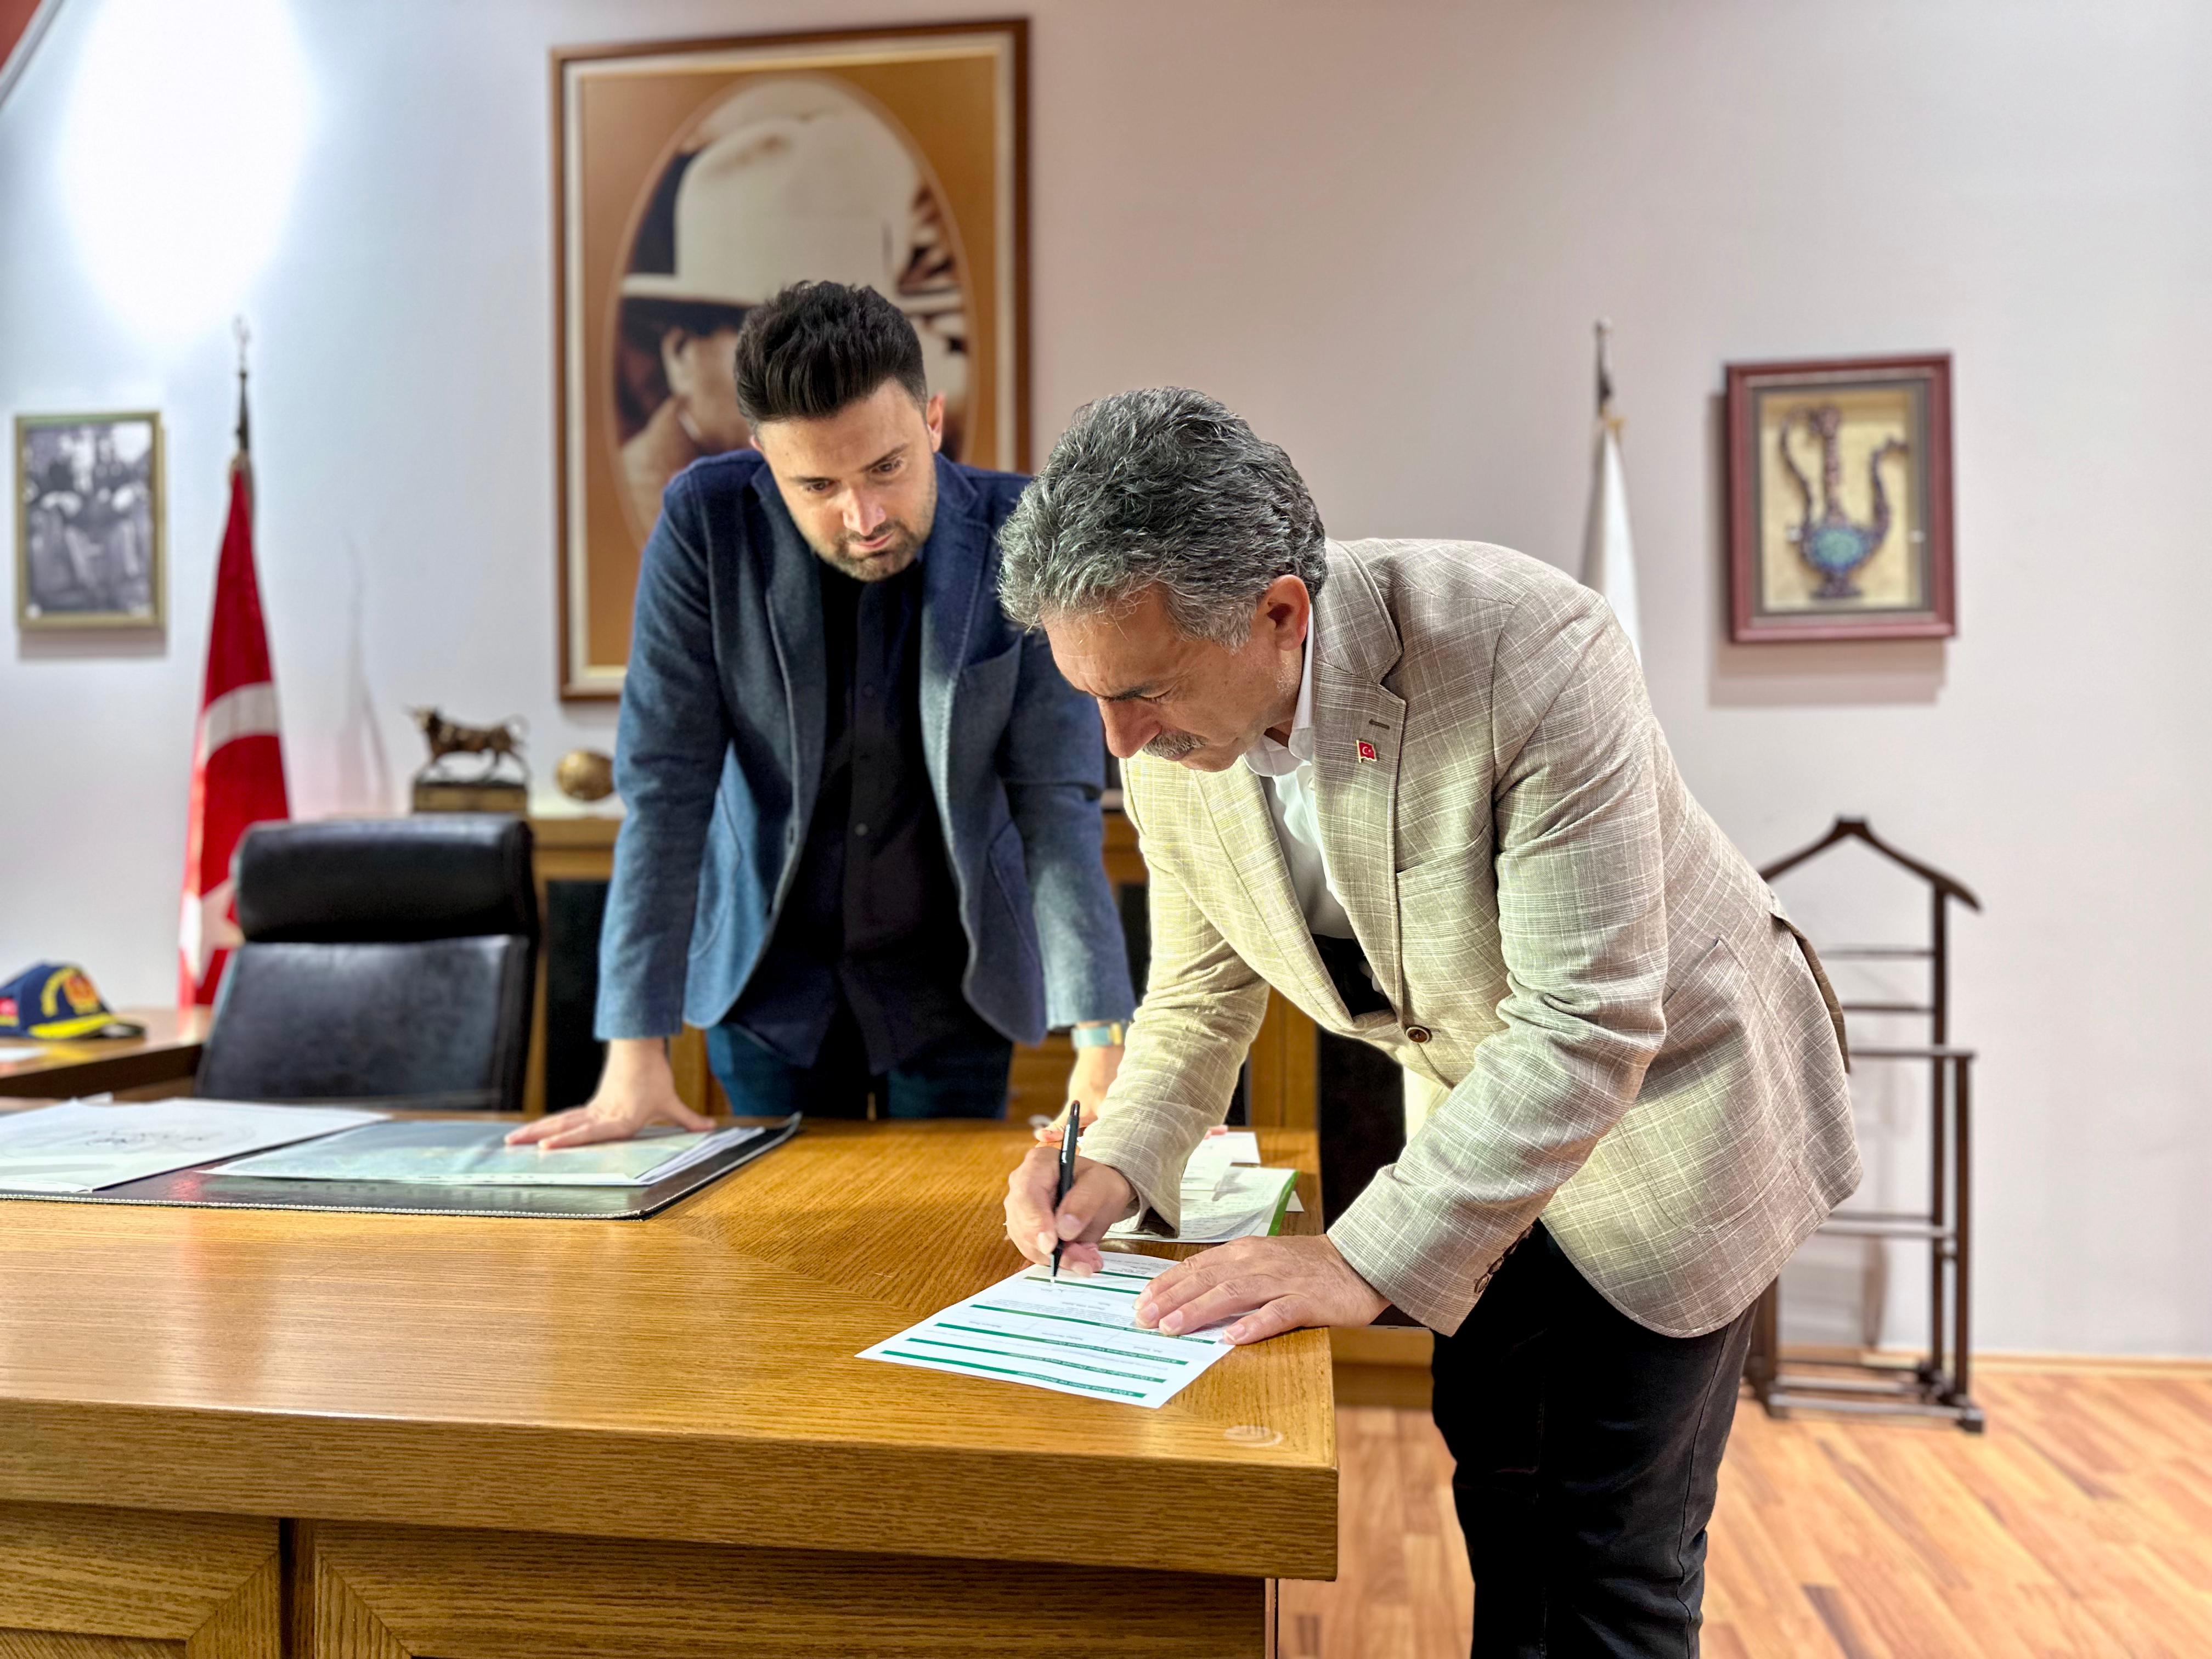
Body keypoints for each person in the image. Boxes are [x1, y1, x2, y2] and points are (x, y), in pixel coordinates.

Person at [994, 387, 1859, 1657]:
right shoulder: (1164, 733)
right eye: (1093, 698)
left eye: (1143, 693)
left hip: (1674, 1107)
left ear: (1278, 614)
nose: (1118, 742)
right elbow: (1199, 992)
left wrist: (1353, 1261)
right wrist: (1113, 1165)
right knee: (1500, 1488)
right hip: (1475, 1109)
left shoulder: (1533, 647)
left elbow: (1585, 1022)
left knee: (1612, 1548)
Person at [515, 283, 1132, 1147]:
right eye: (817, 485)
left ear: (933, 421)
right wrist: (634, 1049)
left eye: (886, 468)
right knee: (779, 1226)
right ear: (763, 459)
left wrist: (1103, 1041)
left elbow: (1054, 802)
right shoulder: (704, 526)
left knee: (946, 1223)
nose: (864, 518)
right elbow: (665, 793)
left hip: (955, 984)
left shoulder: (1018, 531)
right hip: (771, 985)